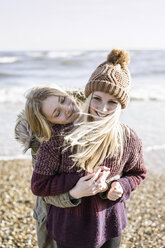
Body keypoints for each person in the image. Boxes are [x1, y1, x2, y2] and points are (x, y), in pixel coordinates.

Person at [31, 49, 147, 248]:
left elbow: (137, 173)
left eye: (112, 102)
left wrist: (121, 186)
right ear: (89, 95)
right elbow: (39, 185)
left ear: (121, 105)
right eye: (97, 99)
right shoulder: (60, 136)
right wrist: (78, 183)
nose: (102, 108)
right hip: (68, 227)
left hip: (110, 224)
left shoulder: (128, 138)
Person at [15, 86, 111, 248]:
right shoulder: (44, 144)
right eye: (57, 113)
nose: (67, 109)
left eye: (63, 100)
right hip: (55, 212)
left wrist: (111, 183)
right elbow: (43, 189)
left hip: (96, 211)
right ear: (49, 122)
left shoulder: (93, 110)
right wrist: (74, 193)